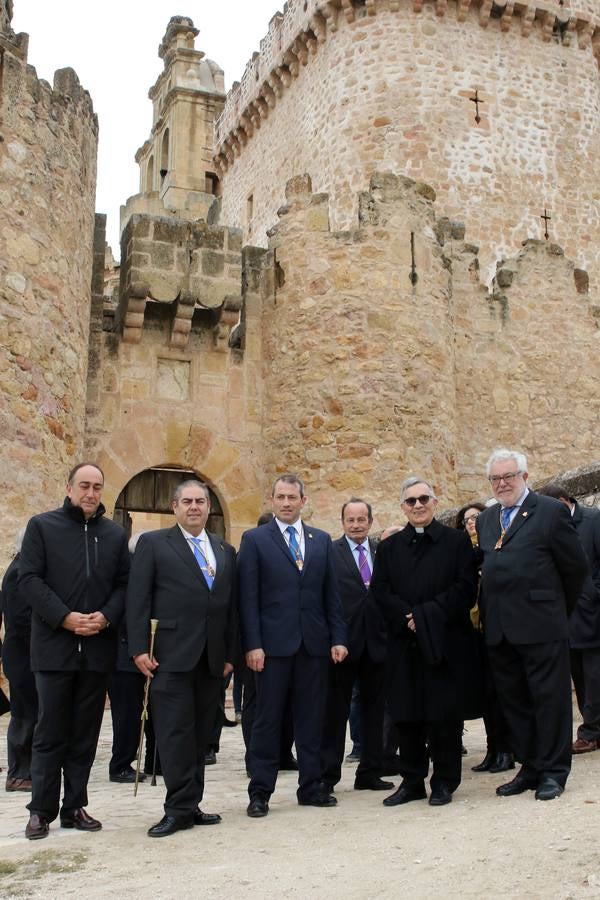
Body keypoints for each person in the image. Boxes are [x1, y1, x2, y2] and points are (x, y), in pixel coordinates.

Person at [19, 463, 130, 840]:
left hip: (97, 650)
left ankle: (74, 806)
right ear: (69, 487)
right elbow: (29, 579)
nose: (91, 493)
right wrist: (64, 617)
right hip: (54, 648)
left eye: (97, 487)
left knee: (85, 734)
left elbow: (124, 585)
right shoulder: (42, 527)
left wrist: (106, 616)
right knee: (50, 731)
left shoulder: (114, 535)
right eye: (84, 485)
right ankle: (40, 810)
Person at [127, 479, 237, 837]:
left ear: (208, 507)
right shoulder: (154, 544)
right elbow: (138, 599)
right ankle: (176, 809)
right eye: (187, 501)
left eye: (200, 501)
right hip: (169, 657)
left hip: (211, 660)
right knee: (175, 735)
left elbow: (230, 608)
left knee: (201, 736)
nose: (194, 507)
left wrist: (230, 654)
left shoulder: (223, 549)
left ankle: (193, 804)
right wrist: (139, 648)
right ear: (174, 507)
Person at [476, 449, 588, 801]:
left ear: (524, 476)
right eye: (495, 478)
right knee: (516, 702)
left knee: (549, 700)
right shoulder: (487, 519)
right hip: (501, 628)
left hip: (542, 625)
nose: (502, 483)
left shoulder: (550, 511)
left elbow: (575, 570)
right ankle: (531, 766)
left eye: (508, 476)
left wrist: (554, 610)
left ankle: (555, 771)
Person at [238, 474, 347, 817]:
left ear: (303, 500)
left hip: (313, 646)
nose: (286, 503)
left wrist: (338, 637)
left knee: (311, 720)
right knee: (267, 721)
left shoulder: (321, 540)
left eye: (292, 497)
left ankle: (312, 786)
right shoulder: (255, 540)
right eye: (280, 497)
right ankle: (260, 792)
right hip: (271, 649)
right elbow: (248, 599)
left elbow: (332, 596)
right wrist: (252, 644)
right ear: (272, 500)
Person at [371, 477, 480, 807]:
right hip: (404, 645)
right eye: (411, 501)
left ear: (434, 502)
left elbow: (464, 589)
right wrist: (408, 617)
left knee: (444, 716)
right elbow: (381, 591)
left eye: (423, 499)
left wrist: (426, 615)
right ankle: (412, 780)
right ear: (403, 507)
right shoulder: (389, 548)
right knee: (407, 715)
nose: (417, 506)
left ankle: (445, 781)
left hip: (446, 643)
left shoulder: (457, 542)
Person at [321, 498, 392, 792]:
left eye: (361, 519)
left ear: (370, 522)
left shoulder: (382, 552)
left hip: (377, 643)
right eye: (350, 519)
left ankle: (370, 772)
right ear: (342, 523)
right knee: (335, 713)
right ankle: (328, 776)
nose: (356, 524)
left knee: (375, 712)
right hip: (343, 644)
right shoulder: (329, 553)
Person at [538, 483, 600, 754]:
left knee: (595, 675)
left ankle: (590, 732)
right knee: (580, 677)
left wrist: (592, 594)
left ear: (564, 501)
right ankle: (593, 730)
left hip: (594, 613)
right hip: (564, 616)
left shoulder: (593, 520)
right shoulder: (548, 526)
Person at [455, 503, 514, 775]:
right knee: (487, 695)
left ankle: (507, 749)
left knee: (502, 693)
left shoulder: (495, 545)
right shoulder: (460, 554)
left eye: (476, 517)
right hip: (473, 633)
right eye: (466, 519)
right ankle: (493, 748)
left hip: (497, 627)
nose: (471, 522)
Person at [2, 527, 37, 792]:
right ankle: (18, 774)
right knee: (24, 715)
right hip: (22, 654)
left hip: (27, 652)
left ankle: (29, 769)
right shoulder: (18, 572)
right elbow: (21, 619)